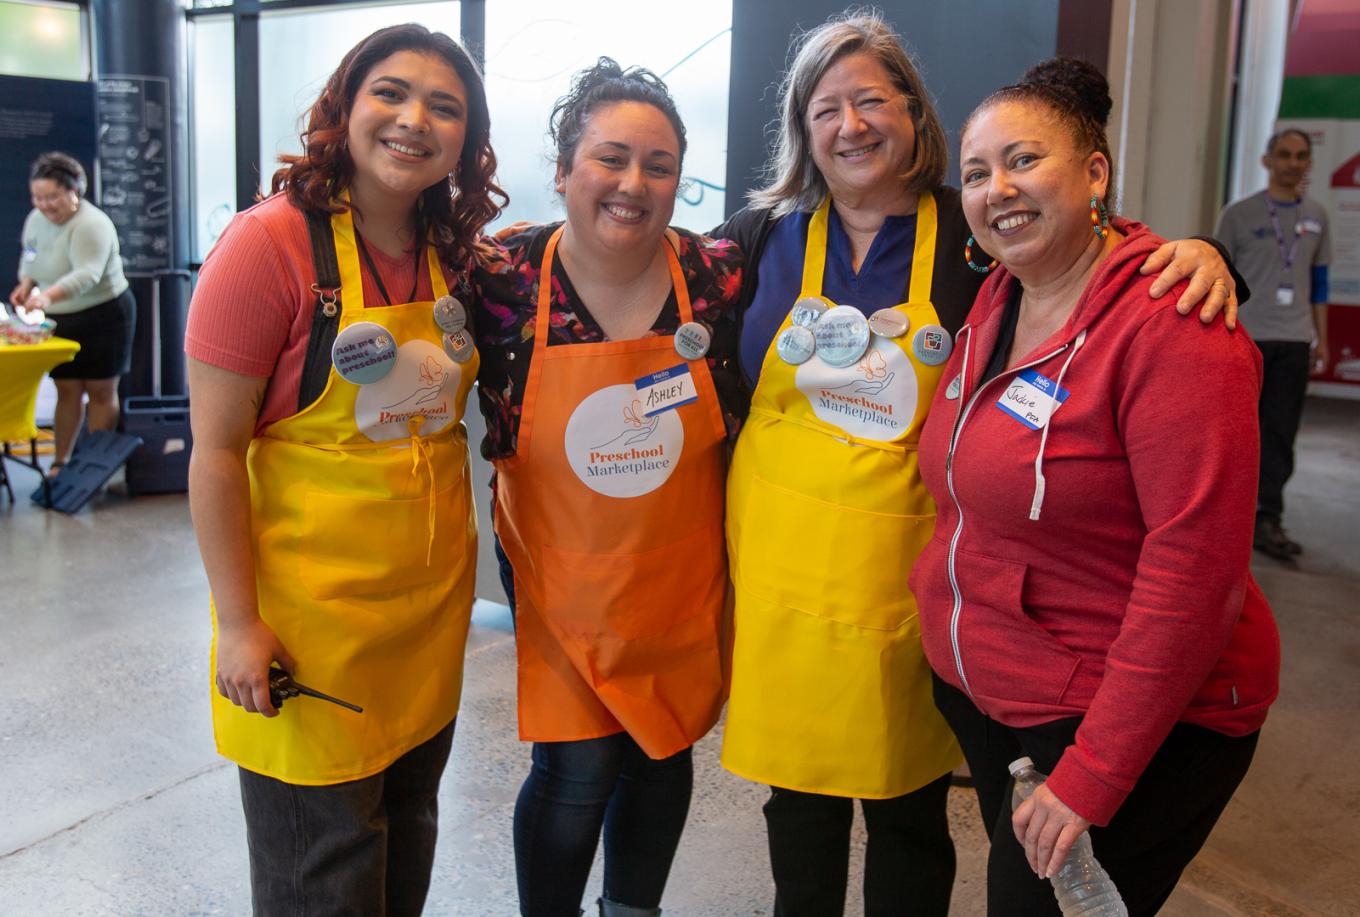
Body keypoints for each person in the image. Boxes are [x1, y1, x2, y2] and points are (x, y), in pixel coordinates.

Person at [710, 12, 1245, 917]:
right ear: (803, 129)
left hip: (912, 587)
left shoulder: (973, 238)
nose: (851, 125)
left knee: (907, 812)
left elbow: (1088, 259)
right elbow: (657, 304)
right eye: (826, 108)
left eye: (872, 100)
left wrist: (1204, 253)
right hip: (782, 578)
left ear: (915, 114)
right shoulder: (760, 238)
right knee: (794, 805)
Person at [913, 58, 1281, 916]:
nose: (997, 186)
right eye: (975, 172)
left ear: (1095, 173)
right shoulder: (1000, 298)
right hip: (1011, 696)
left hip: (1129, 716)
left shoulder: (1176, 326)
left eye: (1024, 159)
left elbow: (1197, 576)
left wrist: (1093, 777)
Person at [184, 24, 505, 915]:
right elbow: (213, 455)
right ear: (345, 106)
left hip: (424, 627)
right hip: (308, 636)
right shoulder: (269, 248)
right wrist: (237, 624)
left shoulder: (452, 252)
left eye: (445, 106)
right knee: (323, 875)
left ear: (466, 138)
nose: (414, 120)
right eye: (391, 93)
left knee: (405, 846)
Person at [474, 59, 743, 917]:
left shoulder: (722, 276)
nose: (634, 183)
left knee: (663, 745)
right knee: (577, 763)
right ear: (563, 172)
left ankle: (634, 909)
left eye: (658, 165)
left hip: (676, 566)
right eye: (610, 158)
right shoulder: (500, 275)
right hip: (558, 571)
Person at [1216, 128, 1331, 561]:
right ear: (1267, 161)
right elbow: (1217, 276)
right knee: (1235, 433)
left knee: (1281, 433)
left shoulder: (1317, 216)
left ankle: (1268, 518)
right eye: (1284, 154)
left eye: (1301, 156)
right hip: (1247, 337)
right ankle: (1229, 516)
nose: (1293, 162)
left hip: (1296, 338)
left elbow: (1318, 283)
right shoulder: (1239, 214)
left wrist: (1321, 337)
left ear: (1308, 163)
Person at [10, 151, 135, 476]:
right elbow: (31, 258)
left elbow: (87, 275)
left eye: (52, 196)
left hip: (105, 315)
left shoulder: (92, 225)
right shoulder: (35, 220)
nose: (44, 204)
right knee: (67, 390)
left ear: (74, 191)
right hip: (63, 316)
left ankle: (95, 468)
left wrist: (45, 297)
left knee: (100, 391)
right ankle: (61, 462)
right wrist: (27, 285)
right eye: (38, 197)